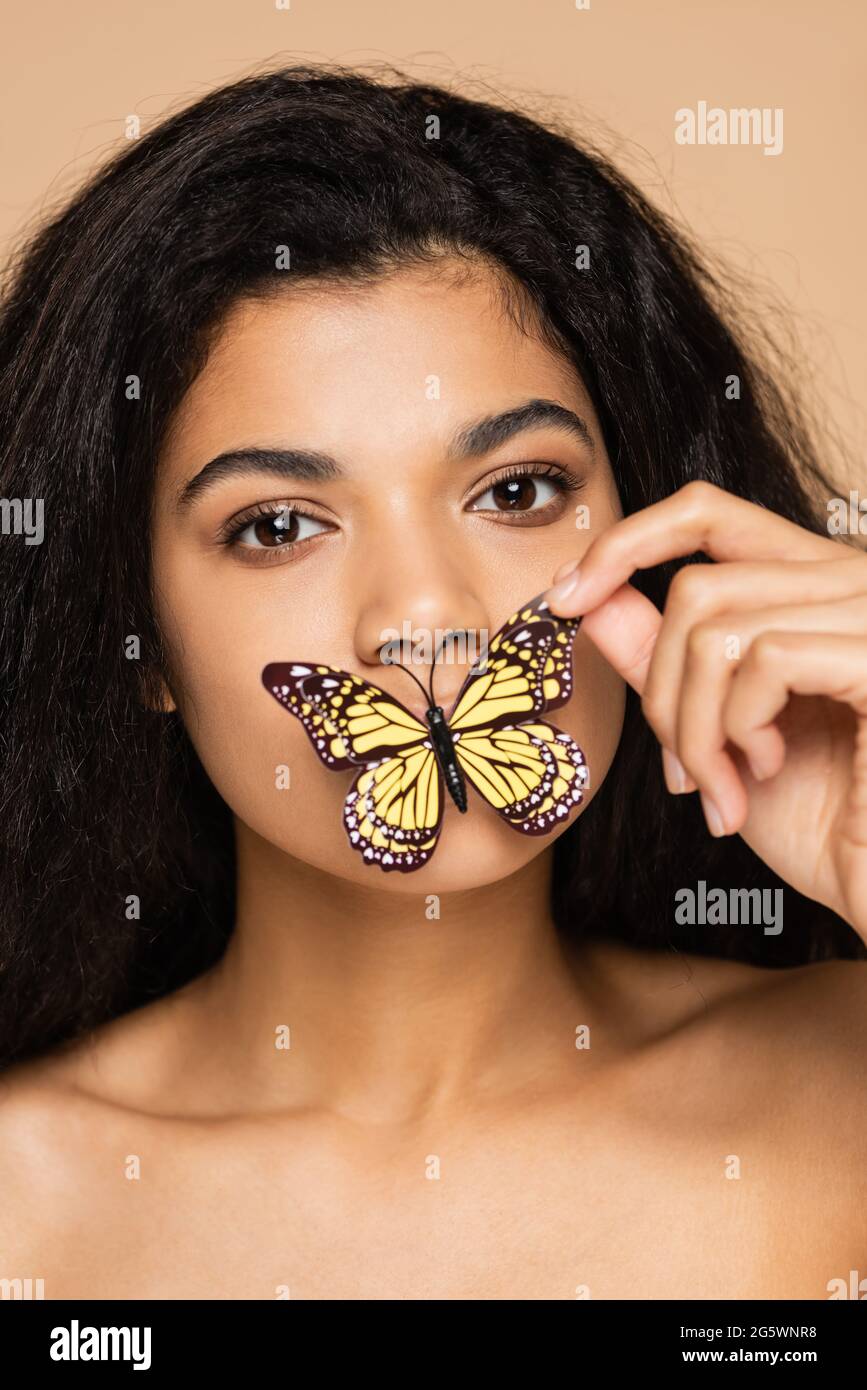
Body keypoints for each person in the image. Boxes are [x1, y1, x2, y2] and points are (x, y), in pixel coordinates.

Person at [0, 63, 864, 1301]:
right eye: (280, 524)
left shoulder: (845, 1089)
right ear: (141, 642)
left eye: (516, 492)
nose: (425, 619)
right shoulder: (24, 1207)